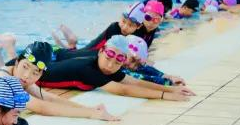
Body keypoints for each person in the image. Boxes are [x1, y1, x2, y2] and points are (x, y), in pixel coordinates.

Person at [38, 35, 192, 100]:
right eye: (108, 58)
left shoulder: (105, 67)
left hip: (54, 58)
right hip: (36, 72)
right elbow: (124, 90)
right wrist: (165, 95)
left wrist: (171, 89)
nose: (111, 65)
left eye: (118, 62)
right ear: (101, 52)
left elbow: (134, 82)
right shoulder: (88, 69)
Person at [119, 37, 188, 88]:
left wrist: (168, 76)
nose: (131, 66)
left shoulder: (134, 62)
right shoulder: (120, 69)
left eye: (137, 64)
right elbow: (144, 79)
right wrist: (169, 83)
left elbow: (146, 69)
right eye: (132, 61)